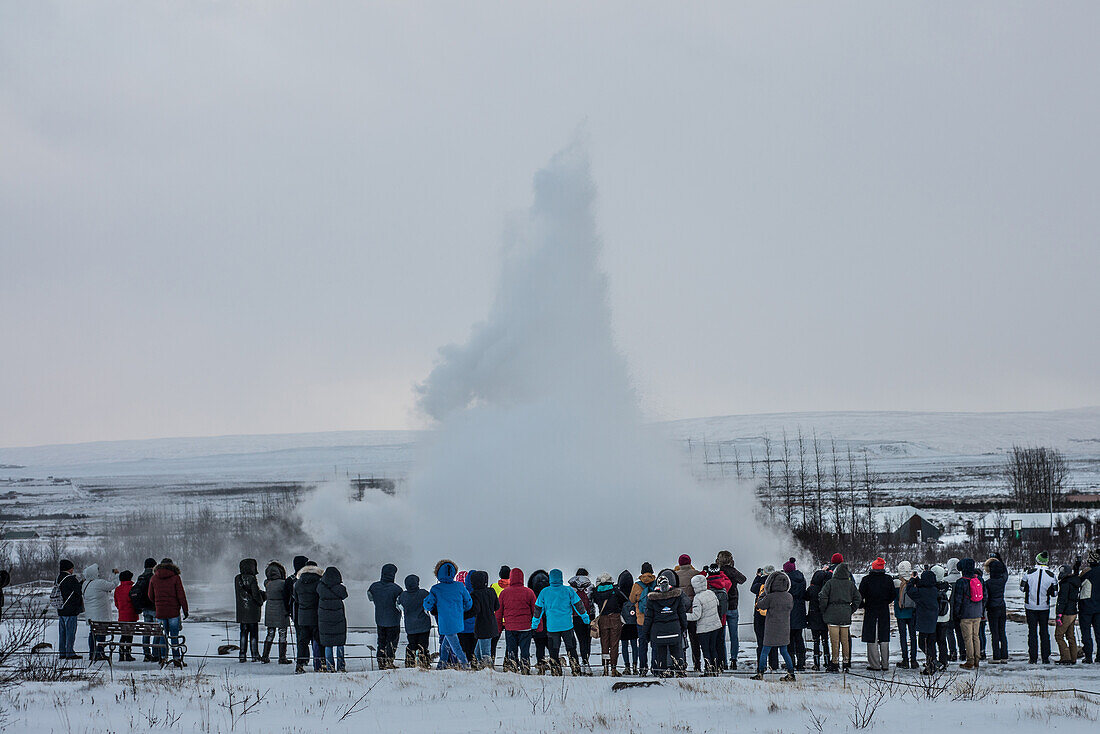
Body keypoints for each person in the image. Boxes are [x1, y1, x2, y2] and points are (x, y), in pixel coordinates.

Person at [532, 569, 589, 676]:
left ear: (550, 579)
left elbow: (538, 609)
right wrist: (584, 617)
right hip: (567, 626)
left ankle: (556, 671)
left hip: (552, 628)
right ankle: (575, 669)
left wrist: (535, 623)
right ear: (561, 578)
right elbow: (579, 605)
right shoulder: (568, 590)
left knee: (554, 651)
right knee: (571, 649)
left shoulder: (544, 592)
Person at [424, 559, 473, 670]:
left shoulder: (436, 589)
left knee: (456, 647)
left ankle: (466, 667)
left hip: (445, 622)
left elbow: (428, 605)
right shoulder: (460, 586)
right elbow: (468, 602)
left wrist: (427, 602)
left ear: (438, 573)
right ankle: (441, 665)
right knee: (446, 645)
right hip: (458, 621)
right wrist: (461, 609)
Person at [751, 570, 797, 682]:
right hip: (784, 628)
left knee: (765, 651)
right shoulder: (789, 597)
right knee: (784, 651)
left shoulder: (770, 597)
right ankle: (791, 673)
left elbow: (760, 605)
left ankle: (760, 672)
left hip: (771, 628)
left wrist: (763, 593)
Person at [819, 561, 860, 673]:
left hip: (832, 614)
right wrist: (851, 610)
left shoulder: (830, 583)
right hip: (845, 614)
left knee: (834, 641)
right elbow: (858, 598)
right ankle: (846, 663)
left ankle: (835, 662)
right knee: (845, 641)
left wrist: (824, 610)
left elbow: (823, 597)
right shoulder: (850, 584)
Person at [643, 575, 687, 678]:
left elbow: (648, 618)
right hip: (674, 630)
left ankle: (663, 674)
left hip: (659, 633)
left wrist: (646, 633)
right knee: (677, 653)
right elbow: (682, 614)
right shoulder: (677, 596)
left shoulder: (652, 599)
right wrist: (683, 627)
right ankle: (680, 673)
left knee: (661, 655)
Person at [148, 558, 188, 667]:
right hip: (173, 612)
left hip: (160, 612)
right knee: (174, 637)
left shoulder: (154, 578)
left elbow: (150, 596)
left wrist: (158, 603)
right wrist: (185, 610)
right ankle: (176, 659)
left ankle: (163, 658)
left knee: (162, 637)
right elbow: (181, 595)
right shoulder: (175, 577)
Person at [1021, 551, 1058, 664]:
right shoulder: (1051, 576)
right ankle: (1045, 657)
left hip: (1030, 606)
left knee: (1032, 632)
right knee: (1044, 632)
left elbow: (1022, 588)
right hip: (1044, 607)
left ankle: (1033, 658)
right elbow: (1055, 593)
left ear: (1036, 560)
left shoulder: (1028, 573)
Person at [496, 567, 535, 673]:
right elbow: (535, 611)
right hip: (526, 627)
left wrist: (499, 628)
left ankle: (512, 669)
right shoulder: (529, 592)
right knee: (525, 651)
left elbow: (499, 613)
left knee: (512, 650)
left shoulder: (504, 593)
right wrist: (536, 625)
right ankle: (525, 669)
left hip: (510, 628)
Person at [859, 557, 894, 672]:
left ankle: (874, 664)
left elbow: (860, 596)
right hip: (883, 609)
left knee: (872, 637)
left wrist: (863, 605)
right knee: (884, 637)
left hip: (870, 610)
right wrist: (885, 602)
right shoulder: (888, 579)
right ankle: (885, 664)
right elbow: (892, 595)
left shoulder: (866, 580)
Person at [591, 572, 628, 676]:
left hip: (603, 619)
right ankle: (613, 668)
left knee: (604, 644)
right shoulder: (614, 590)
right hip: (615, 618)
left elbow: (594, 601)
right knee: (614, 644)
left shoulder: (596, 592)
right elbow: (625, 599)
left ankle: (605, 668)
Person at [905, 567, 941, 675]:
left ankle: (932, 661)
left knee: (922, 643)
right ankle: (931, 665)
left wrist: (912, 580)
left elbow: (909, 591)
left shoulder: (921, 592)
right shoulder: (934, 590)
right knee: (931, 643)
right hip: (933, 619)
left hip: (924, 620)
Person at [951, 558, 985, 670]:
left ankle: (970, 661)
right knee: (976, 636)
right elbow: (985, 596)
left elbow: (958, 600)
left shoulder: (961, 581)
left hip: (966, 614)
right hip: (978, 612)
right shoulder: (979, 579)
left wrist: (957, 613)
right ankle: (977, 660)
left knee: (968, 638)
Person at [716, 550, 747, 670]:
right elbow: (743, 579)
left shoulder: (718, 571)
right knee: (734, 635)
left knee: (721, 636)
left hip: (721, 608)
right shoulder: (733, 572)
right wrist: (732, 568)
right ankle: (734, 659)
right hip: (733, 606)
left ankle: (723, 661)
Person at [685, 573, 722, 675]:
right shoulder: (711, 593)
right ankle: (715, 668)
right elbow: (718, 605)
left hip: (704, 629)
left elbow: (696, 616)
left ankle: (708, 669)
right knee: (713, 648)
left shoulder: (697, 598)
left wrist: (684, 616)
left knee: (706, 650)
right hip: (715, 626)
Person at [367, 563, 402, 670]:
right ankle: (389, 662)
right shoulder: (397, 589)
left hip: (380, 619)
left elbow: (370, 598)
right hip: (393, 620)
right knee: (392, 642)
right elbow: (400, 604)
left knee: (381, 641)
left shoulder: (374, 587)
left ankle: (381, 662)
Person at [291, 560, 324, 673]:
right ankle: (319, 665)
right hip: (316, 616)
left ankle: (299, 665)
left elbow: (296, 599)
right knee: (318, 641)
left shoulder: (298, 583)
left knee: (302, 642)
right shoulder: (319, 583)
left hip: (302, 616)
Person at [673, 555, 703, 671]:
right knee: (694, 638)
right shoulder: (696, 573)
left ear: (679, 563)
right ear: (690, 562)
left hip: (680, 612)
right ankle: (697, 663)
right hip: (693, 610)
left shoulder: (676, 576)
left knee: (681, 639)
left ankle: (683, 662)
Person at [316, 566, 348, 672]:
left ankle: (330, 667)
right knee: (340, 644)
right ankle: (341, 666)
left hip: (324, 620)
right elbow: (344, 595)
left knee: (327, 644)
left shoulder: (320, 587)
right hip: (338, 619)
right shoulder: (340, 588)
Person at [234, 558, 265, 663]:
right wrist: (262, 600)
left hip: (242, 611)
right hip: (252, 611)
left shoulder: (237, 578)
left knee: (243, 633)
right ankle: (255, 654)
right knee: (253, 634)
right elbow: (255, 594)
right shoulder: (252, 578)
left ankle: (242, 655)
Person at [82, 564, 115, 662]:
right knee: (101, 633)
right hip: (101, 614)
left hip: (90, 615)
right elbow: (113, 585)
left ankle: (92, 653)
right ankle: (99, 653)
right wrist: (116, 575)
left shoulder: (85, 584)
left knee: (92, 634)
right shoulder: (99, 583)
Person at [805, 562, 834, 670]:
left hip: (813, 617)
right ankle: (827, 661)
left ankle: (816, 663)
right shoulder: (827, 589)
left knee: (816, 641)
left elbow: (806, 597)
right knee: (825, 640)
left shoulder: (812, 589)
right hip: (825, 618)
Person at [629, 563, 657, 675]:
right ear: (652, 571)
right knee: (655, 645)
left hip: (641, 620)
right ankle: (655, 668)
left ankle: (643, 668)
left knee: (642, 645)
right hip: (654, 619)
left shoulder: (636, 585)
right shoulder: (656, 583)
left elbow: (631, 600)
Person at [261, 561, 291, 664]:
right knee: (282, 634)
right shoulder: (283, 583)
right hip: (281, 610)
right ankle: (282, 658)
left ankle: (265, 656)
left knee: (270, 633)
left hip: (269, 611)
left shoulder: (266, 583)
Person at [399, 574, 431, 669]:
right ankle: (424, 664)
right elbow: (431, 603)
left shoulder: (403, 595)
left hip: (410, 627)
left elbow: (399, 605)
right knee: (423, 646)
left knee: (411, 646)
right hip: (424, 626)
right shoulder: (424, 593)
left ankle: (410, 664)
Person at [53, 560, 83, 660]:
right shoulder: (71, 579)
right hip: (71, 610)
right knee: (70, 633)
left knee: (62, 633)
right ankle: (70, 652)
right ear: (69, 568)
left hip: (61, 609)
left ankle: (62, 652)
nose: (72, 570)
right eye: (72, 568)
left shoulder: (58, 578)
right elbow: (78, 591)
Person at [703, 565, 731, 672]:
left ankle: (713, 665)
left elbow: (697, 582)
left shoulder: (707, 584)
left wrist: (705, 572)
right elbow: (729, 581)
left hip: (710, 619)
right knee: (721, 642)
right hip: (722, 619)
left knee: (711, 644)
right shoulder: (724, 584)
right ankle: (723, 664)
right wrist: (721, 573)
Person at [470, 570, 499, 668]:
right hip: (492, 624)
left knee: (485, 654)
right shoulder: (491, 591)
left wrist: (464, 614)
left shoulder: (475, 594)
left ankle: (489, 673)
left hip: (482, 627)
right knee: (477, 653)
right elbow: (497, 606)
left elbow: (475, 610)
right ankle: (482, 670)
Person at [751, 565, 779, 671]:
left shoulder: (760, 583)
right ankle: (774, 664)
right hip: (773, 614)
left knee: (761, 641)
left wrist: (758, 576)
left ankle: (761, 665)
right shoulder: (776, 583)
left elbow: (752, 588)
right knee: (773, 641)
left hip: (759, 615)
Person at [130, 558, 158, 661]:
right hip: (154, 607)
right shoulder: (154, 577)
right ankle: (156, 653)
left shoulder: (140, 577)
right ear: (154, 566)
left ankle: (146, 654)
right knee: (157, 631)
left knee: (147, 631)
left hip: (145, 608)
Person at [1055, 561, 1082, 665]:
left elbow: (1062, 601)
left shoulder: (1066, 584)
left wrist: (1059, 614)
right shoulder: (1074, 581)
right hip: (1073, 612)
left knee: (1059, 635)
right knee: (1070, 636)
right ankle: (1073, 658)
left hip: (1066, 613)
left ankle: (1066, 657)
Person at [568, 569, 595, 672]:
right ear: (586, 575)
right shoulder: (591, 586)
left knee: (581, 640)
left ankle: (583, 661)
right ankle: (586, 662)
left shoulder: (571, 588)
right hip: (589, 616)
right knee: (588, 640)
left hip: (576, 616)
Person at [984, 555, 1009, 663]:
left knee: (994, 633)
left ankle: (996, 656)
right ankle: (1004, 655)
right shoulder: (1002, 580)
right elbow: (1005, 572)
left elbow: (986, 597)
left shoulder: (988, 583)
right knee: (1002, 631)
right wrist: (1000, 560)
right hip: (1002, 606)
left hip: (992, 608)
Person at [783, 558, 807, 670]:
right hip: (800, 610)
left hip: (789, 610)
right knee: (799, 638)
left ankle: (791, 663)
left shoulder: (786, 580)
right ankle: (801, 663)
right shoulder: (802, 579)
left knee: (789, 639)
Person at [894, 561, 918, 669]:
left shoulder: (896, 582)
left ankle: (905, 660)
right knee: (913, 636)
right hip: (912, 612)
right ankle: (914, 660)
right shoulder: (914, 581)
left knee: (903, 636)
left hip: (901, 613)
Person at [528, 569, 551, 674]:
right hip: (551, 625)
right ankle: (555, 664)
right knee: (552, 646)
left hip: (538, 625)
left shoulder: (532, 595)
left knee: (539, 646)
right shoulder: (550, 593)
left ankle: (541, 665)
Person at [1079, 549, 1100, 664]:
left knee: (1086, 632)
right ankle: (1099, 656)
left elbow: (1078, 582)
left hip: (1086, 606)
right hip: (1099, 607)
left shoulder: (1087, 572)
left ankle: (1088, 656)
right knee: (1099, 632)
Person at [113, 570, 138, 662]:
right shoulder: (132, 588)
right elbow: (135, 602)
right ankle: (127, 653)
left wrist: (121, 608)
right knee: (129, 635)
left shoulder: (118, 589)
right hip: (131, 615)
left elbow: (116, 603)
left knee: (123, 635)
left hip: (122, 616)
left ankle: (121, 653)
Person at [618, 570, 639, 675]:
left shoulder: (619, 593)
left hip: (623, 623)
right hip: (634, 622)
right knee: (635, 645)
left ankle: (627, 667)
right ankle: (635, 666)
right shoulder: (634, 590)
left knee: (624, 646)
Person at [931, 564, 952, 670]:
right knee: (942, 640)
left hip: (934, 618)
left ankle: (933, 661)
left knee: (932, 640)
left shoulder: (932, 587)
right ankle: (944, 660)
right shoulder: (946, 586)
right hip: (945, 616)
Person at [943, 557, 963, 661]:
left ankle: (953, 653)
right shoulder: (963, 579)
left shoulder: (946, 580)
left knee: (949, 632)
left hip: (949, 611)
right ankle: (963, 652)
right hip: (961, 610)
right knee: (960, 632)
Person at [490, 565, 510, 662]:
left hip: (496, 618)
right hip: (509, 619)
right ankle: (508, 662)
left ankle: (491, 661)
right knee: (510, 643)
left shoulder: (494, 586)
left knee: (493, 643)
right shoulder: (512, 587)